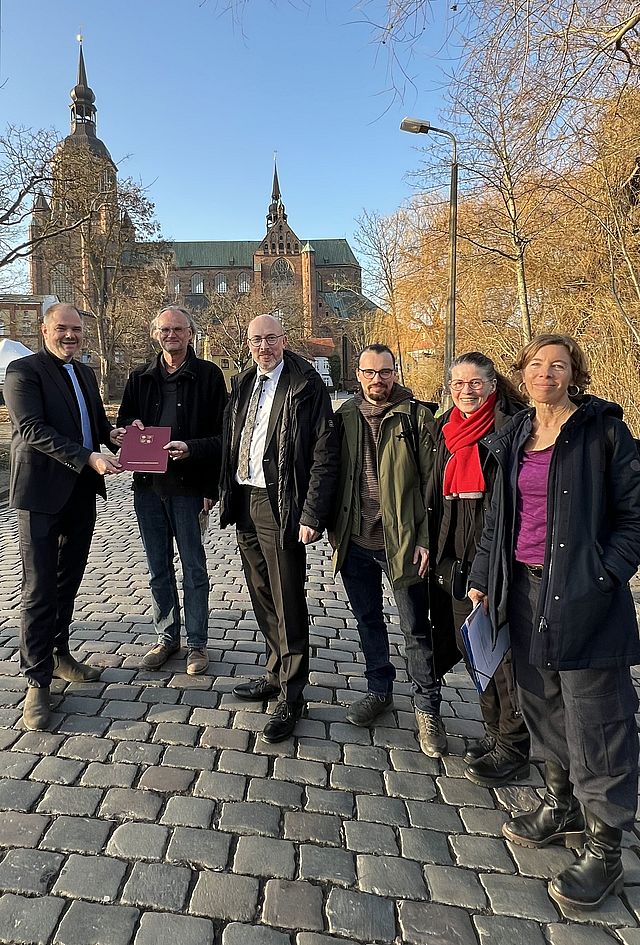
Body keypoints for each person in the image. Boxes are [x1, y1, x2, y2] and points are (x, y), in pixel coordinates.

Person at [468, 333, 640, 911]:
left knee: (599, 719)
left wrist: (603, 576)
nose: (546, 372)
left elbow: (634, 517)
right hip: (522, 591)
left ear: (574, 375)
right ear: (524, 372)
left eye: (558, 365)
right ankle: (561, 799)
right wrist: (483, 576)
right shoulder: (515, 435)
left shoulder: (603, 432)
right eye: (537, 364)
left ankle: (604, 850)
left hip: (586, 596)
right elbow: (499, 515)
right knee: (541, 701)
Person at [219, 313, 338, 742]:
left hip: (282, 502)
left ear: (284, 340)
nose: (263, 346)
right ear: (247, 342)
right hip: (246, 499)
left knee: (288, 597)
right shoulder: (244, 382)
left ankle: (293, 692)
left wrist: (311, 514)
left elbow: (325, 454)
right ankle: (274, 669)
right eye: (256, 339)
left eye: (271, 338)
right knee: (262, 593)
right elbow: (232, 439)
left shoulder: (306, 385)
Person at [4, 302, 123, 731]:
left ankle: (59, 655)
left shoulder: (86, 373)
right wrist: (88, 456)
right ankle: (36, 681)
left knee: (67, 580)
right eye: (62, 329)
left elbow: (93, 422)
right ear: (44, 329)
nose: (70, 336)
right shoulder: (23, 371)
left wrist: (114, 435)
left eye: (76, 330)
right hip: (40, 493)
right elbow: (33, 429)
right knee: (38, 588)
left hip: (80, 494)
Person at [329, 344, 448, 757]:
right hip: (357, 540)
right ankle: (379, 689)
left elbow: (435, 486)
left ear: (394, 373)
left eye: (385, 371)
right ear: (357, 375)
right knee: (367, 620)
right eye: (369, 372)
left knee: (416, 628)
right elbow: (331, 473)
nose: (377, 379)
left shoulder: (417, 416)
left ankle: (427, 708)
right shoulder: (344, 416)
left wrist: (426, 538)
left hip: (402, 544)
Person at [428, 352, 530, 784]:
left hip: (494, 554)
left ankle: (514, 745)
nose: (466, 391)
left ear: (492, 384)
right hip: (455, 555)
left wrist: (489, 570)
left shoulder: (511, 428)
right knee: (476, 650)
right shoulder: (447, 428)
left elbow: (510, 505)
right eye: (458, 384)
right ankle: (491, 732)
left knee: (503, 657)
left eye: (475, 383)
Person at [118, 306, 227, 675]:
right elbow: (123, 427)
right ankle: (166, 638)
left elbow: (224, 437)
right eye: (165, 330)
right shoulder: (139, 377)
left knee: (194, 567)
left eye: (179, 329)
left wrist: (195, 455)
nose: (171, 335)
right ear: (156, 334)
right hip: (148, 486)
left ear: (191, 333)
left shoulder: (209, 376)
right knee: (156, 567)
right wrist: (127, 429)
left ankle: (197, 643)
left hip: (190, 486)